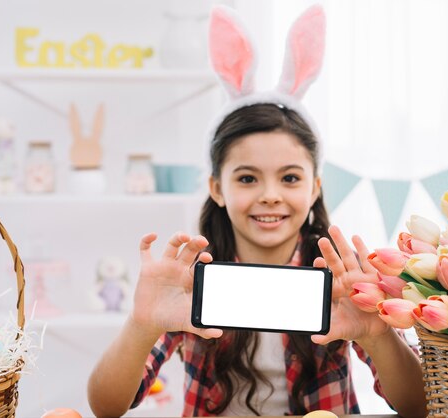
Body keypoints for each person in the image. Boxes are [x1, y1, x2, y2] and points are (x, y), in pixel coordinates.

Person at [88, 4, 426, 418]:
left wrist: (378, 336)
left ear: (315, 186)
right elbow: (105, 407)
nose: (270, 196)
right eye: (247, 179)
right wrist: (141, 326)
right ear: (217, 188)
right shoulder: (190, 277)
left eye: (289, 178)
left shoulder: (341, 277)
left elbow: (420, 407)